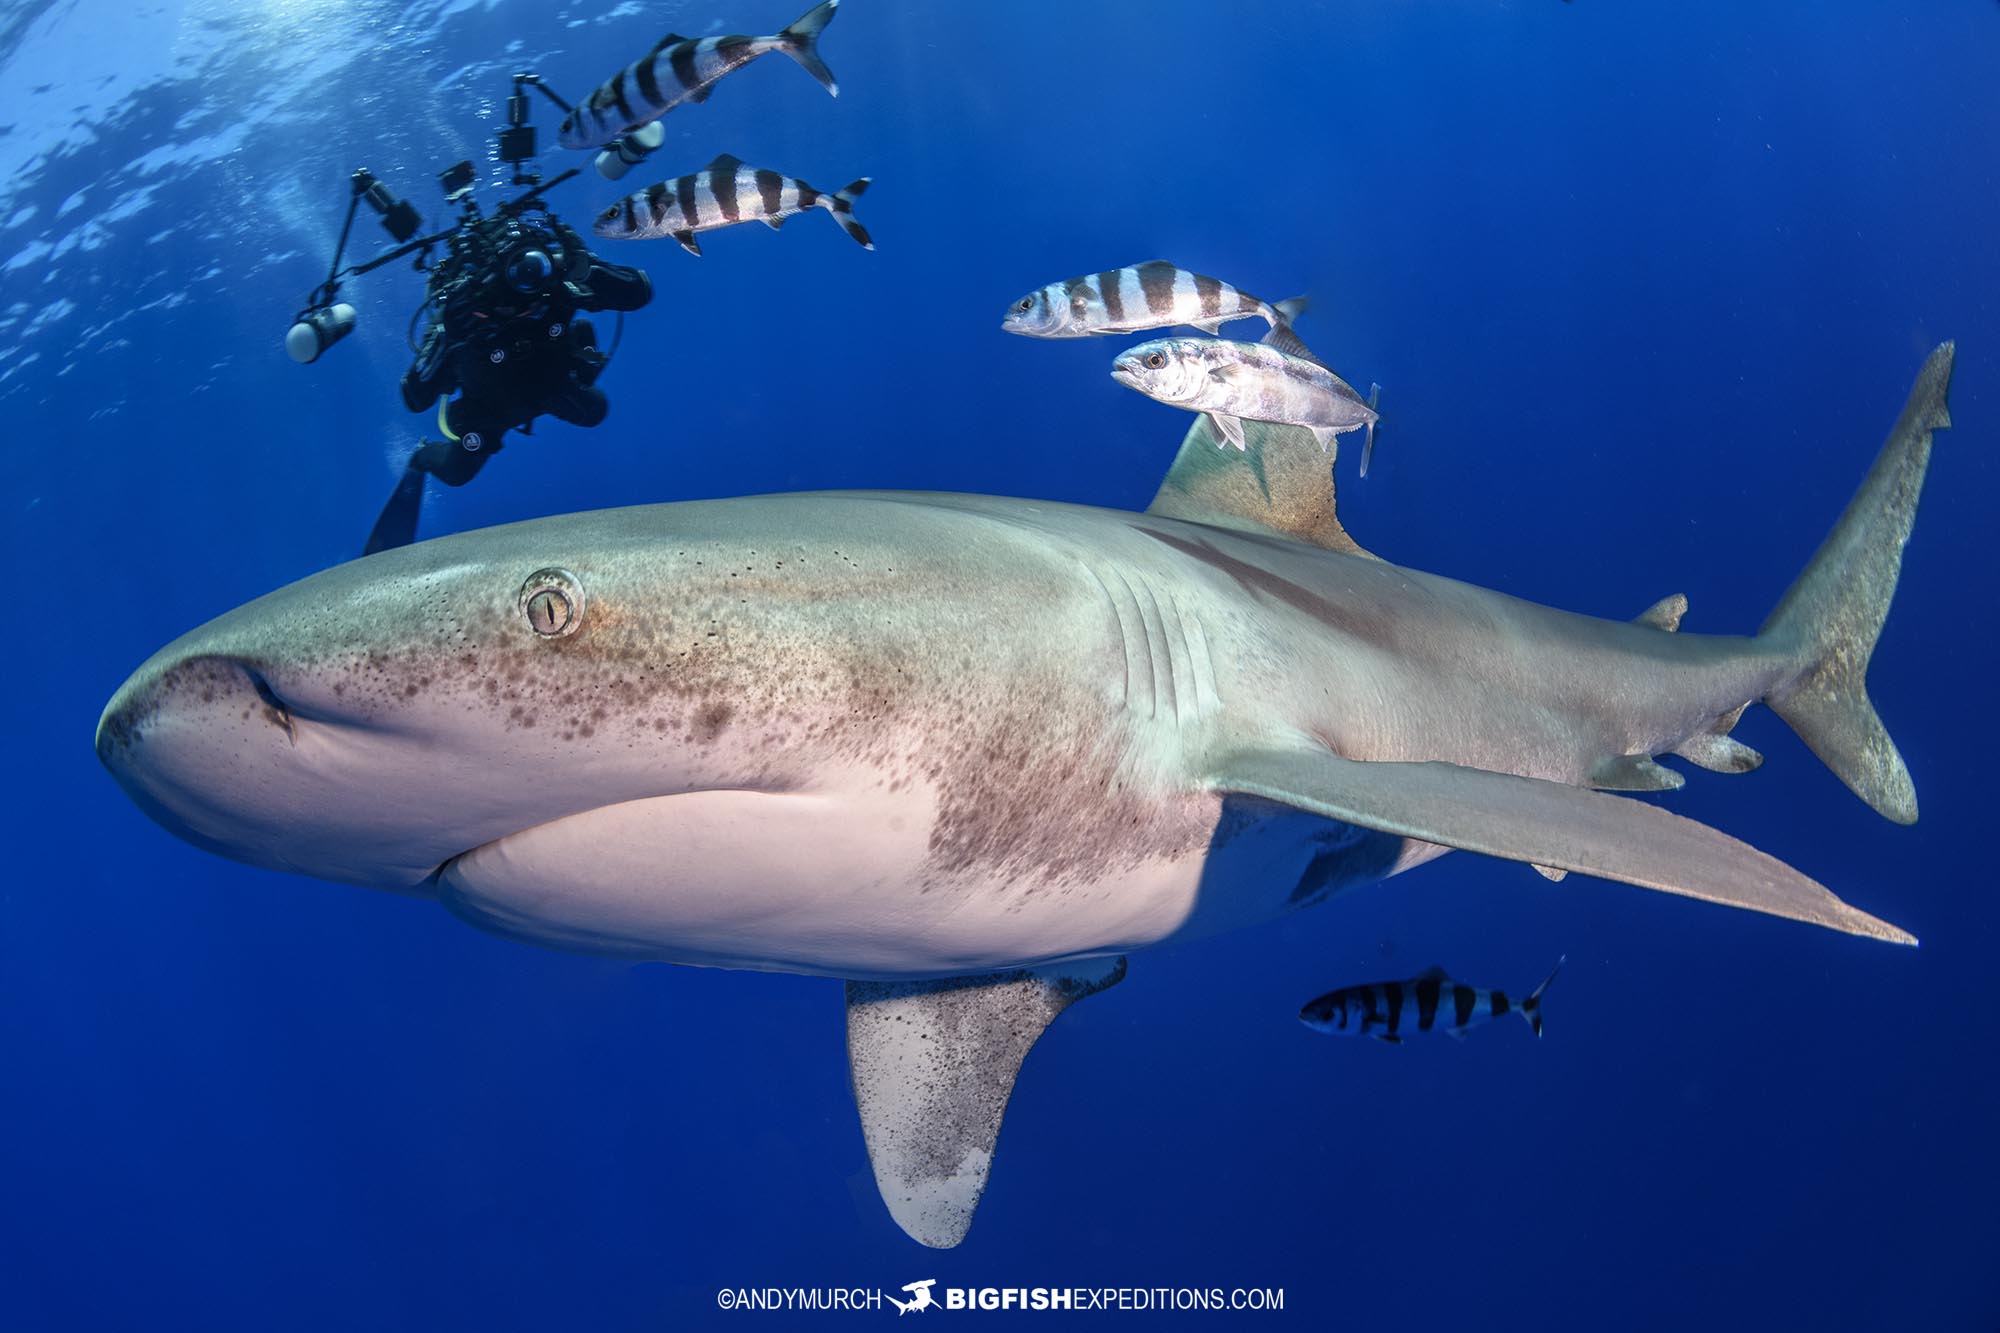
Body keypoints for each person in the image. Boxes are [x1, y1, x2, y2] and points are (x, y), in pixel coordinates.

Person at [365, 213, 652, 553]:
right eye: (516, 275)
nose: (527, 289)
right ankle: (420, 458)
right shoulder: (466, 309)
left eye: (534, 269)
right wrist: (447, 335)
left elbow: (638, 292)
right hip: (490, 408)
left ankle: (572, 361)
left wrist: (586, 269)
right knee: (458, 474)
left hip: (548, 383)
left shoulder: (555, 285)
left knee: (595, 409)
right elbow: (414, 398)